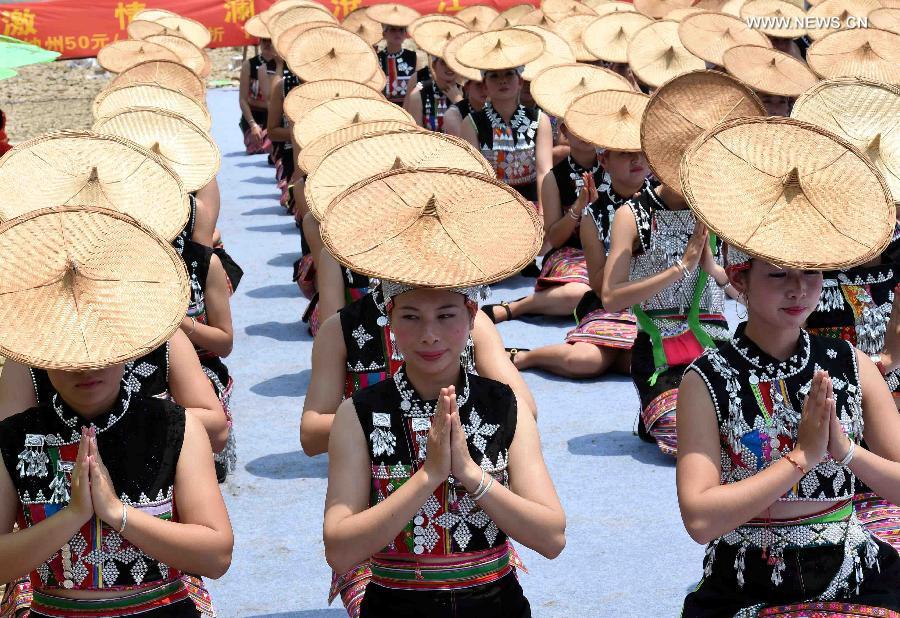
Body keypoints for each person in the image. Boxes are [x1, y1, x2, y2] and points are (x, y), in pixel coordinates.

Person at [677, 115, 900, 616]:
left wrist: (845, 453)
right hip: (746, 578)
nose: (799, 289)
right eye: (779, 275)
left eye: (811, 273)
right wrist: (800, 458)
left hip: (851, 571)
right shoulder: (706, 379)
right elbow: (699, 519)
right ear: (741, 278)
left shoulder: (851, 364)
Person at [320, 168, 564, 616]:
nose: (429, 335)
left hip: (495, 603)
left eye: (446, 315)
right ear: (389, 322)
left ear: (472, 317)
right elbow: (339, 549)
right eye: (410, 317)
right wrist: (428, 477)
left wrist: (471, 475)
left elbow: (551, 537)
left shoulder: (502, 405)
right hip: (396, 604)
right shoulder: (359, 413)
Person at [0, 206, 233, 617]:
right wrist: (71, 517)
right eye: (70, 352)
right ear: (42, 353)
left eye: (102, 348)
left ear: (128, 345)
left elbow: (216, 555)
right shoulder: (13, 438)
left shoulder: (175, 427)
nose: (87, 366)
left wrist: (118, 513)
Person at [512, 148, 652, 378]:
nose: (636, 159)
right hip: (612, 305)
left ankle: (617, 356)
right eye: (624, 154)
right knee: (583, 362)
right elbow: (598, 285)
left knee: (647, 361)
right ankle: (527, 356)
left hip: (658, 306)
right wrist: (628, 245)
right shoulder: (593, 213)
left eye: (640, 152)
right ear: (604, 160)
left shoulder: (664, 202)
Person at [481, 125, 602, 323]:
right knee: (580, 294)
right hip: (572, 253)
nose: (585, 131)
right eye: (578, 124)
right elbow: (554, 239)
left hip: (614, 253)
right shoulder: (555, 178)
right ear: (564, 130)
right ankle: (519, 306)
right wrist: (578, 208)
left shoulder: (616, 169)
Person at [460, 67, 552, 206]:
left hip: (533, 203)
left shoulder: (539, 119)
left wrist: (543, 214)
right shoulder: (471, 122)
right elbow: (475, 177)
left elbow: (544, 171)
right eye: (494, 76)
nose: (502, 81)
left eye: (509, 74)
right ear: (485, 85)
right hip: (492, 206)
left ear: (520, 81)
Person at [238, 38, 277, 155]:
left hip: (276, 116)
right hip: (255, 116)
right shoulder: (249, 65)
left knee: (276, 148)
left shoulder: (283, 64)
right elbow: (243, 100)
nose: (267, 44)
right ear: (259, 41)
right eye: (264, 40)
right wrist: (252, 124)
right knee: (257, 147)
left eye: (270, 40)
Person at [404, 56, 463, 133]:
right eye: (443, 62)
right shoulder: (418, 94)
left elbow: (474, 133)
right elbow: (416, 135)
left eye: (452, 62)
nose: (449, 67)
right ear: (434, 65)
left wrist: (458, 101)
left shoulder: (468, 92)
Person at [376, 25, 418, 105]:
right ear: (384, 34)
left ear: (405, 34)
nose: (397, 33)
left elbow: (420, 83)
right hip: (382, 108)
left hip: (408, 108)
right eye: (393, 30)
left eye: (401, 30)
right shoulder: (376, 58)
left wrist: (414, 95)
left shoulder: (413, 56)